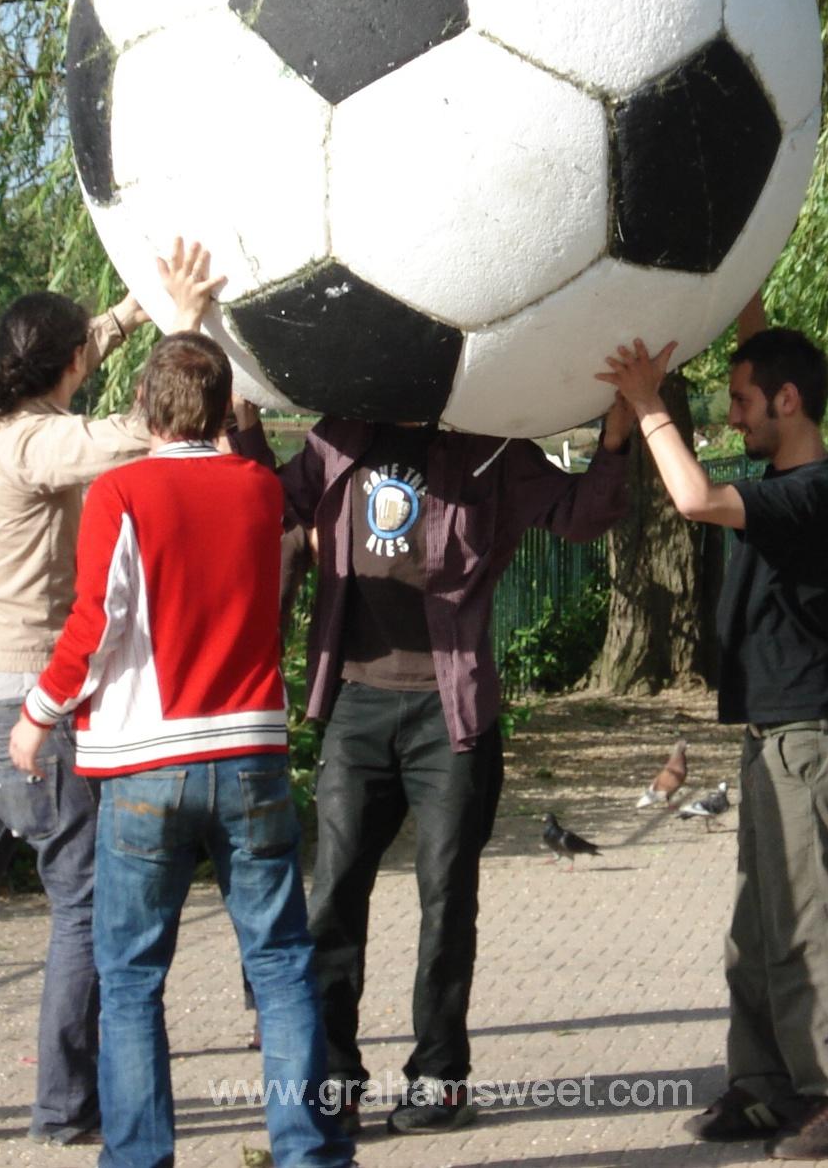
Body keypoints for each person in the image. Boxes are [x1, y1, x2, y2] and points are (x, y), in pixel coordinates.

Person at [0, 243, 223, 1146]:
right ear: (62, 367)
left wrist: (133, 311)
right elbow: (148, 429)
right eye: (80, 355)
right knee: (87, 903)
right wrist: (184, 332)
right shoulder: (43, 446)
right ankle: (68, 1107)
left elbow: (76, 365)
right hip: (35, 711)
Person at [227, 387, 636, 1135]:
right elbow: (269, 505)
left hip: (450, 713)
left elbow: (583, 515)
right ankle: (334, 1075)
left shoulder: (493, 447)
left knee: (447, 897)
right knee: (335, 894)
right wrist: (242, 422)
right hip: (354, 702)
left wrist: (615, 436)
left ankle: (440, 1077)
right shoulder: (340, 435)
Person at [8, 333, 353, 1168]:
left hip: (145, 762)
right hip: (250, 751)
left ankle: (140, 1157)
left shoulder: (120, 492)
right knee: (278, 966)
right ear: (221, 406)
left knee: (131, 979)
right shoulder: (260, 492)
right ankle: (308, 1152)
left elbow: (96, 624)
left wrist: (37, 714)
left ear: (145, 405)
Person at [598, 302, 828, 1161]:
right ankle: (766, 1088)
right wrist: (740, 299)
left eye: (740, 399)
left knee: (811, 921)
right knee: (756, 924)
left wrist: (648, 399)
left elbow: (689, 497)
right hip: (775, 736)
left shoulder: (814, 493)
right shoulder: (781, 485)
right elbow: (758, 355)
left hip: (811, 737)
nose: (732, 414)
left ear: (787, 403)